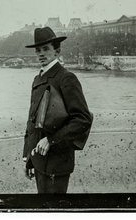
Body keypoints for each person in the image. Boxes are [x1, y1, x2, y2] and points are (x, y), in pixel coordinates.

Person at [22, 27, 93, 193]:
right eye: (38, 50)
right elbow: (32, 121)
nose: (41, 54)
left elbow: (82, 119)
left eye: (46, 49)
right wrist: (28, 157)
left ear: (57, 51)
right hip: (39, 158)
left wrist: (51, 140)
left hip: (57, 161)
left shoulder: (66, 78)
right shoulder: (37, 79)